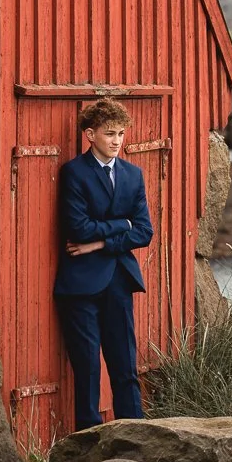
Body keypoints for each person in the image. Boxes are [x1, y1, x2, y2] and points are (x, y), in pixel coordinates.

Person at [56, 99, 154, 428]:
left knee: (125, 366)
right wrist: (121, 224)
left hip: (119, 280)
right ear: (90, 135)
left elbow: (144, 231)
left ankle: (136, 439)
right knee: (87, 370)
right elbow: (78, 228)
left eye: (121, 134)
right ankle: (88, 444)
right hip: (80, 285)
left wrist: (101, 241)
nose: (116, 141)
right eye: (109, 134)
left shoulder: (132, 175)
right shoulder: (74, 172)